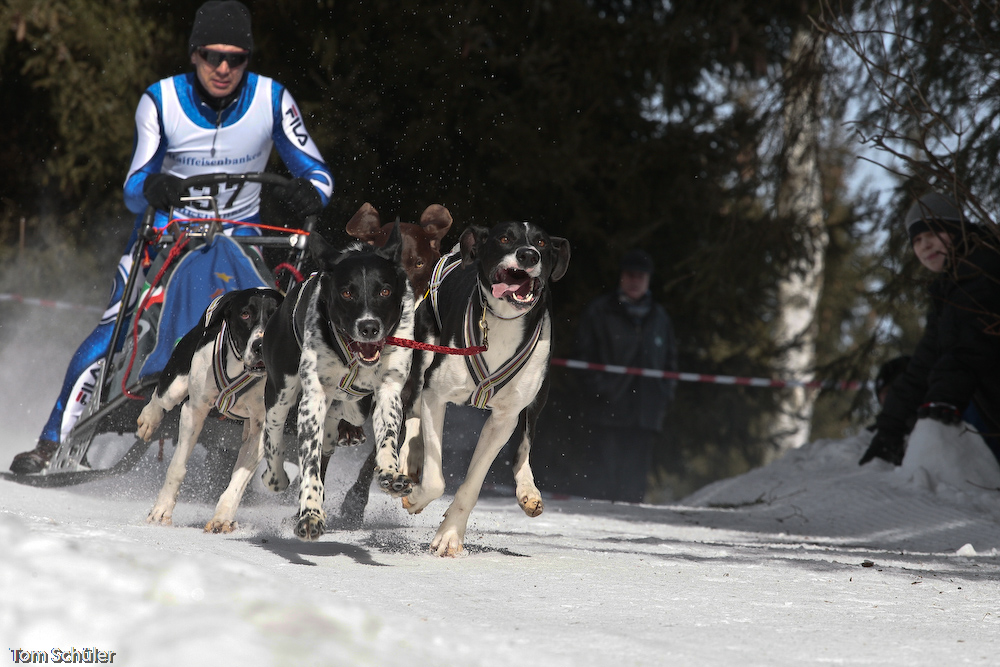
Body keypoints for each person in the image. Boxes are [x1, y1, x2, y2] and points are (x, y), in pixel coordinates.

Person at [10, 0, 334, 474]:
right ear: (194, 54)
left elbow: (319, 177)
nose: (223, 68)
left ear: (248, 59)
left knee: (282, 325)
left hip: (244, 243)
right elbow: (134, 188)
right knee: (111, 333)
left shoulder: (272, 100)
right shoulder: (160, 99)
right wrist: (154, 186)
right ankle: (51, 440)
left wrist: (310, 192)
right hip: (168, 242)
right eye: (211, 56)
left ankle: (275, 443)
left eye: (236, 58)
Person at [860, 192, 1000, 467]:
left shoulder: (984, 269)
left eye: (934, 233)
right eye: (917, 240)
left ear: (957, 229)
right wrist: (890, 427)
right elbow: (924, 363)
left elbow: (973, 346)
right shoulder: (948, 289)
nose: (925, 246)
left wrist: (942, 401)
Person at [574, 249, 678, 502]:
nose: (635, 281)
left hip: (645, 414)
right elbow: (583, 356)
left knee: (635, 482)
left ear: (648, 280)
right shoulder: (600, 311)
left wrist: (663, 395)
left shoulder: (659, 317)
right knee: (603, 477)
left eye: (640, 276)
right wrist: (601, 390)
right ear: (621, 277)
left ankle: (630, 535)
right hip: (606, 411)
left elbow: (670, 362)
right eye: (630, 275)